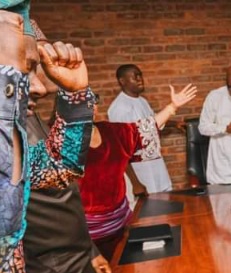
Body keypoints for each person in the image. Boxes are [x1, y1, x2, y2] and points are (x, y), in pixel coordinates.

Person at [0, 8, 95, 273]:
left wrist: (74, 95)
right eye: (24, 68)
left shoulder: (1, 137)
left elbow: (59, 169)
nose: (41, 87)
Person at [23, 22, 111, 273]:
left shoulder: (23, 118)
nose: (39, 85)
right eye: (25, 67)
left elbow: (61, 180)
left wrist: (89, 250)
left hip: (74, 271)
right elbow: (1, 246)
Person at [79, 84, 197, 259]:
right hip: (87, 234)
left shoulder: (110, 131)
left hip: (121, 222)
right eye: (83, 101)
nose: (92, 106)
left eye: (93, 100)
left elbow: (144, 129)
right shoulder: (62, 141)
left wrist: (172, 107)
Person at [108, 64, 176, 194]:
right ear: (122, 81)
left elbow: (152, 124)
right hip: (141, 175)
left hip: (156, 168)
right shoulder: (119, 108)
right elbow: (121, 149)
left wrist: (175, 123)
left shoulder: (142, 101)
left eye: (140, 75)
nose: (140, 79)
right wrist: (135, 183)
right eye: (135, 77)